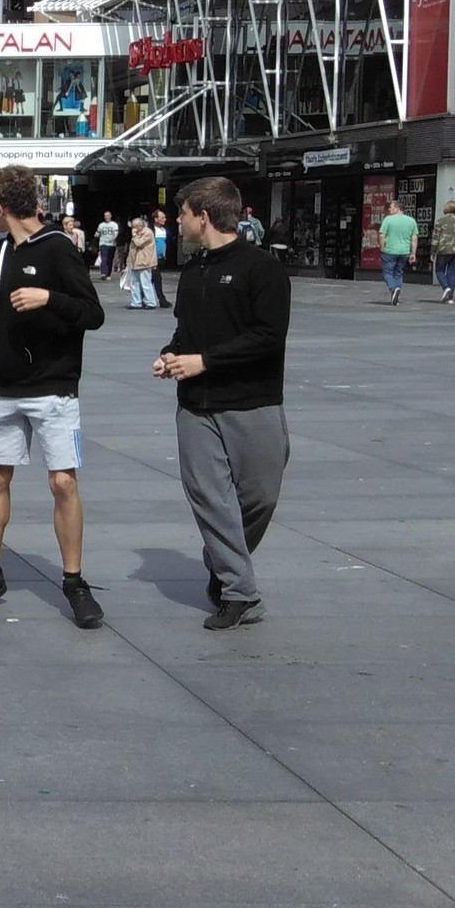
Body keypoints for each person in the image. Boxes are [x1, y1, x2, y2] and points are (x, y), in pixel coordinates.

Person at [0, 164, 108, 631]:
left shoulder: (58, 250)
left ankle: (74, 581)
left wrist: (47, 299)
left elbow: (92, 314)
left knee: (63, 484)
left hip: (54, 390)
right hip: (1, 387)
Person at [153, 176, 291, 632]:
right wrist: (171, 355)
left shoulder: (262, 268)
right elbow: (186, 332)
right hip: (195, 406)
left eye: (182, 214)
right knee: (211, 500)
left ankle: (221, 559)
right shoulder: (192, 272)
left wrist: (204, 361)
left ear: (204, 216)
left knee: (259, 498)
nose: (177, 221)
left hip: (253, 402)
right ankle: (240, 593)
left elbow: (269, 337)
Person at [378, 199, 417, 305]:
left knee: (387, 272)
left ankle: (393, 289)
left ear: (397, 208)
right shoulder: (411, 221)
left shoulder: (388, 220)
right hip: (404, 252)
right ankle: (396, 294)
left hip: (390, 251)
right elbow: (414, 238)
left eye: (391, 207)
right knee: (398, 273)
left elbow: (382, 235)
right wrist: (413, 253)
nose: (389, 209)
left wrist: (382, 247)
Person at [430, 200, 455, 304]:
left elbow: (435, 238)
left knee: (439, 271)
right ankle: (450, 297)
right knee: (452, 273)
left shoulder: (440, 221)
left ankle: (446, 288)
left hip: (444, 250)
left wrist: (432, 252)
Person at [124, 216, 159, 309]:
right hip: (135, 262)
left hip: (144, 262)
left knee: (145, 283)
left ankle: (151, 302)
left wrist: (135, 235)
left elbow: (139, 243)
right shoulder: (138, 232)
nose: (133, 229)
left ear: (140, 226)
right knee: (134, 283)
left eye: (134, 227)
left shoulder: (147, 233)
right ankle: (136, 302)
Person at [150, 209, 173, 308]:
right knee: (156, 279)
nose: (165, 219)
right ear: (156, 219)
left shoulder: (164, 230)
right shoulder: (150, 230)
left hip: (160, 258)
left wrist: (164, 254)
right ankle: (161, 300)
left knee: (154, 279)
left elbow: (164, 243)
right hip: (152, 259)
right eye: (162, 218)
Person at [95, 211, 120, 276]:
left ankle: (108, 274)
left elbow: (116, 233)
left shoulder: (114, 224)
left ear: (110, 216)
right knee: (104, 258)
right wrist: (96, 235)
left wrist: (113, 238)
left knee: (110, 259)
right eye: (105, 216)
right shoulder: (101, 225)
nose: (106, 217)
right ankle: (103, 273)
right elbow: (98, 232)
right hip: (103, 243)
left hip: (112, 244)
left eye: (108, 215)